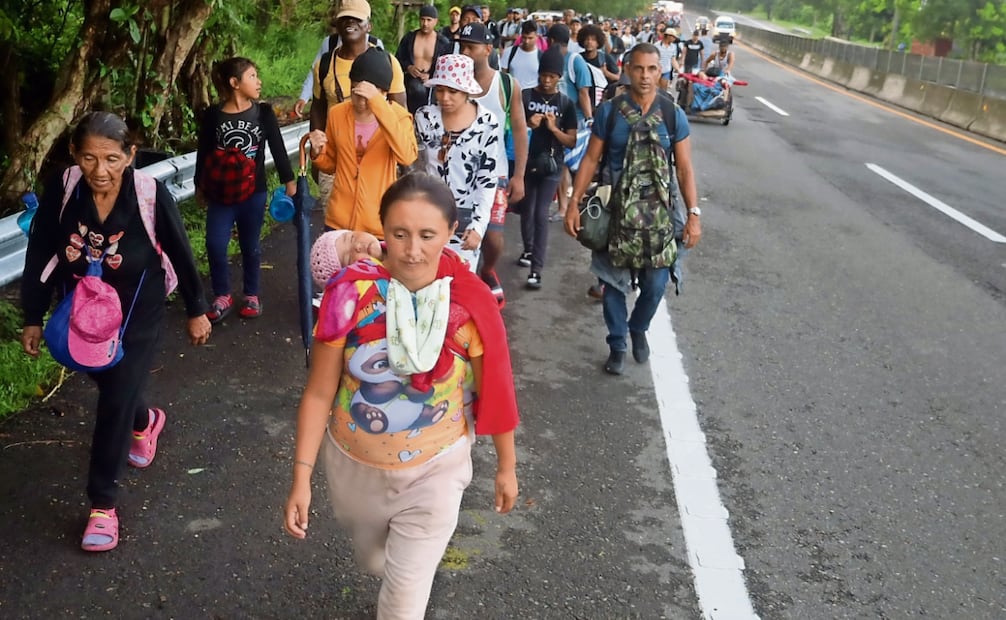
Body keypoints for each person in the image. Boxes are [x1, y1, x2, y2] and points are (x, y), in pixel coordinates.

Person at [283, 172, 519, 619]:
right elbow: (318, 394)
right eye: (400, 234)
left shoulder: (469, 303)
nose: (413, 250)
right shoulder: (349, 295)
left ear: (450, 232)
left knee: (403, 596)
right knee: (377, 562)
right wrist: (301, 476)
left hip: (438, 469)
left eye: (428, 235)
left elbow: (496, 389)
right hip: (354, 467)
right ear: (382, 229)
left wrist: (506, 467)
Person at [21, 111, 212, 552]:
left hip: (137, 312)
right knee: (108, 382)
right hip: (84, 309)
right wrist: (33, 314)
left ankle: (102, 506)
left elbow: (181, 252)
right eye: (88, 158)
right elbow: (40, 250)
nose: (99, 171)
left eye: (111, 158)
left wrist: (196, 309)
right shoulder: (65, 188)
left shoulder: (147, 194)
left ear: (130, 155)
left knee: (113, 399)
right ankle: (146, 419)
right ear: (74, 155)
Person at [563, 43, 702, 375]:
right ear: (627, 69)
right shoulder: (610, 112)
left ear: (660, 71)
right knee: (611, 281)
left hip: (660, 213)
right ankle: (618, 343)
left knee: (656, 283)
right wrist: (573, 203)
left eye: (652, 69)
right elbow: (592, 159)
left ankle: (638, 326)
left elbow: (684, 168)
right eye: (639, 68)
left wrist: (694, 214)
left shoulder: (672, 114)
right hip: (614, 211)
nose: (645, 76)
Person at [196, 57, 296, 321]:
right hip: (220, 194)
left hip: (254, 192)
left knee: (250, 245)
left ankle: (251, 294)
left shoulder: (263, 113)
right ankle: (222, 295)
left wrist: (290, 181)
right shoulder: (213, 116)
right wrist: (199, 186)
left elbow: (277, 147)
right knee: (215, 244)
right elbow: (204, 153)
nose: (258, 81)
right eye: (252, 76)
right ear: (235, 83)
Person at [307, 48, 418, 237]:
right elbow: (331, 164)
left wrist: (379, 106)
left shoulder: (398, 117)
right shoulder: (338, 113)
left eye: (368, 94)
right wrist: (318, 153)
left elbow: (406, 156)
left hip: (377, 224)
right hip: (338, 222)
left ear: (384, 92)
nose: (360, 100)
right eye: (356, 91)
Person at [414, 54, 506, 273]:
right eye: (440, 90)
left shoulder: (487, 124)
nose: (445, 97)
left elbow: (487, 179)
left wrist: (479, 227)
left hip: (465, 220)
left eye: (452, 91)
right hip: (427, 213)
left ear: (466, 91)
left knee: (459, 282)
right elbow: (412, 163)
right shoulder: (425, 118)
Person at [458, 20, 529, 306]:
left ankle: (487, 270)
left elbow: (521, 129)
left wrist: (519, 175)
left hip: (495, 173)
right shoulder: (453, 83)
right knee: (458, 234)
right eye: (461, 46)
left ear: (488, 49)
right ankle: (464, 287)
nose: (464, 52)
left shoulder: (506, 85)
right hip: (458, 173)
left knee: (494, 239)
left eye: (471, 47)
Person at [515, 48, 577, 290]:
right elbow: (512, 126)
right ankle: (528, 249)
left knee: (541, 212)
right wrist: (528, 124)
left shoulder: (566, 104)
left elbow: (571, 140)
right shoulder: (526, 96)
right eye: (544, 75)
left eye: (552, 76)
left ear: (559, 77)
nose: (547, 80)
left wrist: (553, 129)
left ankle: (536, 270)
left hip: (553, 165)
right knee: (526, 209)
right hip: (527, 162)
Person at [548, 22, 592, 224]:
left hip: (577, 121)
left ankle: (578, 203)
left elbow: (584, 92)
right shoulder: (552, 60)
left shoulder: (575, 61)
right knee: (562, 165)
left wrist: (589, 119)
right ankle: (564, 207)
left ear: (551, 41)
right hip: (556, 121)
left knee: (579, 164)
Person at [395, 4, 453, 113]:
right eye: (422, 19)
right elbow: (398, 59)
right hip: (411, 83)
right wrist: (409, 67)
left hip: (433, 83)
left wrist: (431, 75)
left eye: (428, 20)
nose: (425, 23)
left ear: (435, 21)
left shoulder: (443, 42)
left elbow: (448, 67)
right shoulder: (409, 38)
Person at [501, 20, 542, 89]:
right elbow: (503, 76)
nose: (526, 41)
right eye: (524, 37)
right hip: (513, 94)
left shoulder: (541, 56)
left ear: (536, 37)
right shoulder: (509, 52)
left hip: (532, 96)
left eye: (530, 38)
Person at [657, 27, 682, 92]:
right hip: (657, 70)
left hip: (666, 71)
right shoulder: (657, 45)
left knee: (663, 90)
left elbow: (673, 59)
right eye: (673, 37)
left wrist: (678, 69)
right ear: (668, 36)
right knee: (655, 89)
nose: (674, 39)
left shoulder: (673, 47)